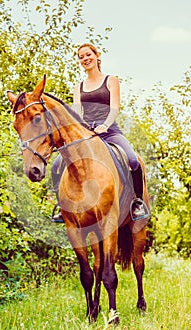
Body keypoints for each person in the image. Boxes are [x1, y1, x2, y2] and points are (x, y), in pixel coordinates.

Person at [51, 43, 149, 223]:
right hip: (86, 134)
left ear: (96, 56)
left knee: (133, 160)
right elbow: (78, 113)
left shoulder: (111, 80)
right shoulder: (78, 86)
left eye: (88, 55)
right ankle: (61, 207)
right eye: (81, 57)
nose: (85, 59)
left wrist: (105, 125)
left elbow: (114, 108)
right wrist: (81, 129)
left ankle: (137, 202)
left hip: (109, 131)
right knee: (56, 165)